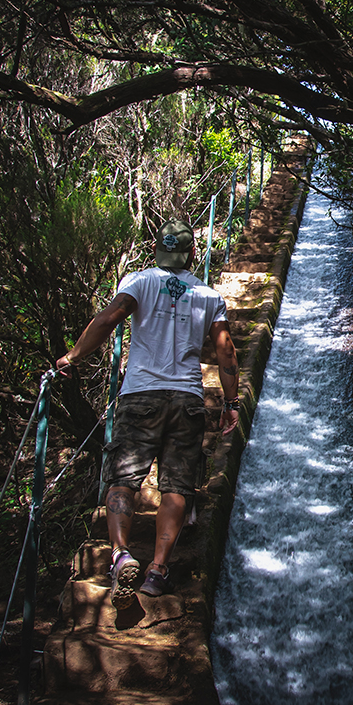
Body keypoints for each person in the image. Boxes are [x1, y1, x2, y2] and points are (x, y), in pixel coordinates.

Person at [56, 219, 239, 608]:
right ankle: (157, 569)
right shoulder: (208, 295)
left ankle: (121, 553)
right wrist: (231, 403)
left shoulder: (138, 282)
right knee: (176, 486)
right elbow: (226, 353)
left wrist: (73, 356)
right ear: (192, 254)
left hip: (140, 394)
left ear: (159, 249)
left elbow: (108, 320)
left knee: (123, 479)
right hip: (187, 399)